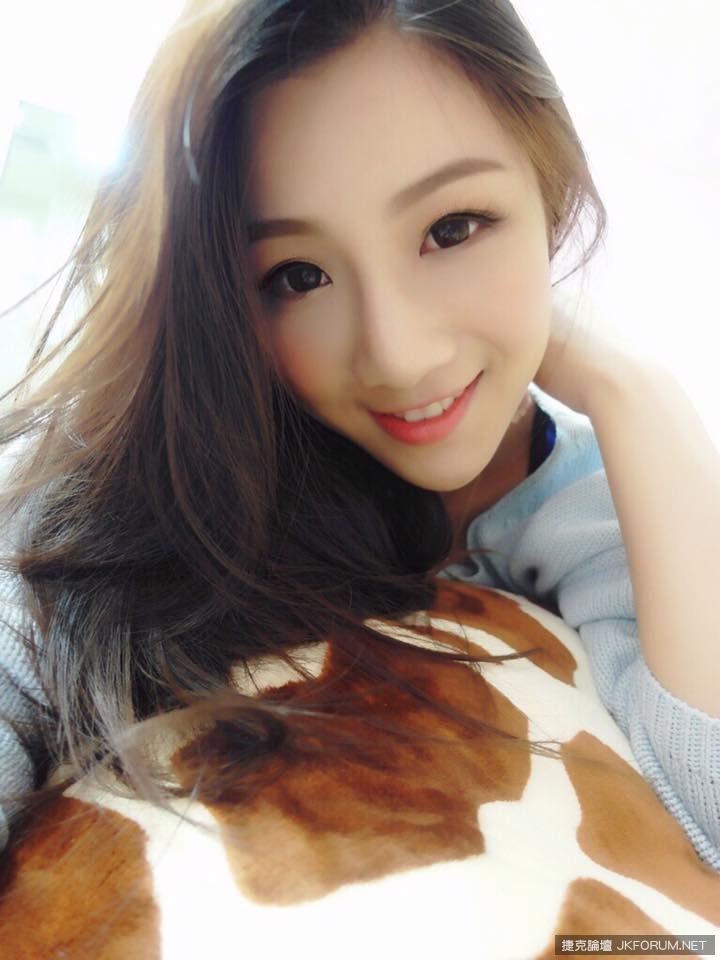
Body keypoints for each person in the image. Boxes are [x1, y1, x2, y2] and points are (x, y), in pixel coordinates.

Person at [0, 0, 718, 872]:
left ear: (553, 191)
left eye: (452, 229)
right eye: (298, 276)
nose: (397, 354)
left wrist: (635, 388)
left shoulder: (597, 502)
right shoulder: (163, 485)